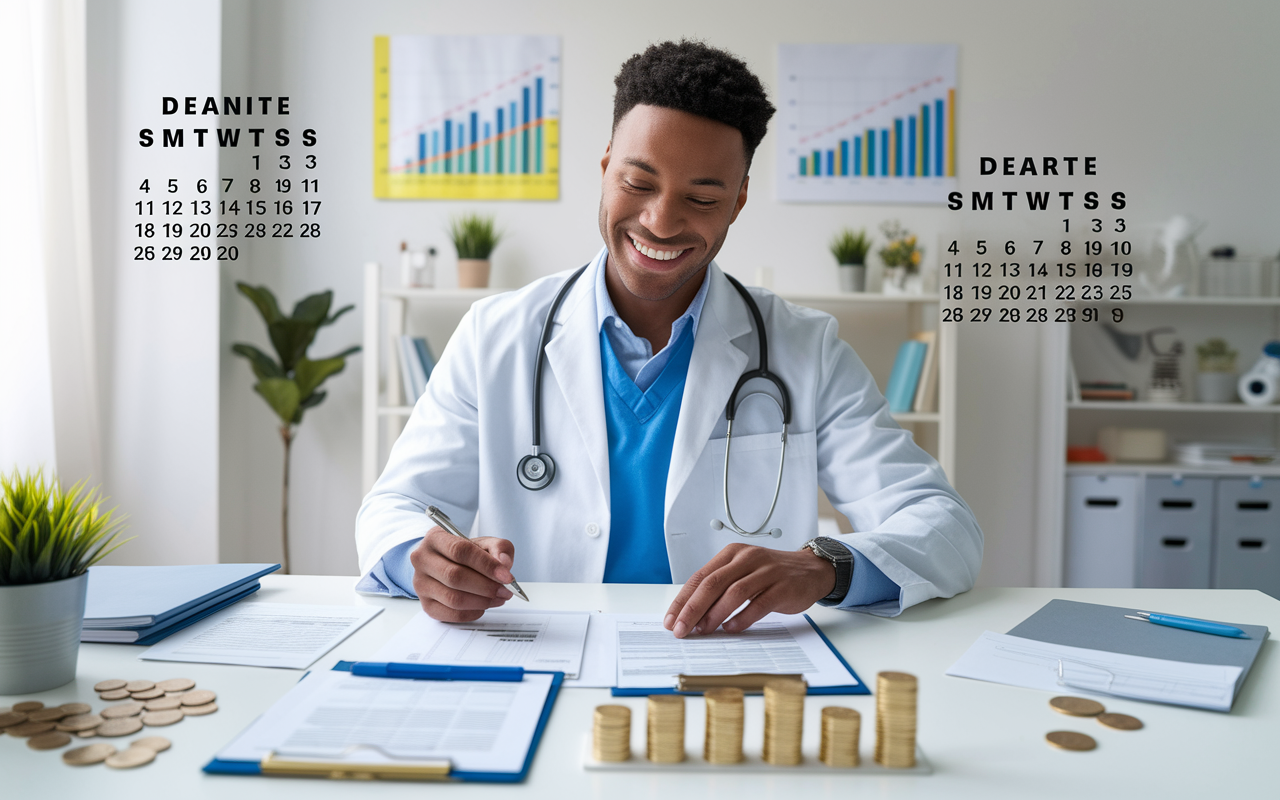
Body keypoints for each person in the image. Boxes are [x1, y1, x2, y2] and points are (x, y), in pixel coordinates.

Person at [355, 40, 982, 637]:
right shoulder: (495, 336)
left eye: (702, 197)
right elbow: (395, 507)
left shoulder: (804, 348)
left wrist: (826, 566)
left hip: (726, 672)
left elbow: (946, 528)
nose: (660, 220)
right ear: (604, 169)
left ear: (737, 202)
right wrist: (424, 559)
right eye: (638, 183)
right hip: (539, 656)